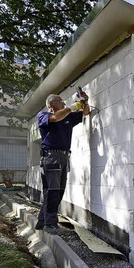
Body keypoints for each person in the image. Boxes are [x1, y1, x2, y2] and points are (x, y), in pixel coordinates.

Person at [35, 90, 91, 232]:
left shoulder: (68, 118)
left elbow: (86, 112)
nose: (64, 103)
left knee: (58, 191)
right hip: (51, 157)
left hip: (64, 157)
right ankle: (50, 224)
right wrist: (71, 107)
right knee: (52, 191)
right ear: (52, 104)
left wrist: (84, 100)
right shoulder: (44, 115)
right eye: (61, 101)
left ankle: (42, 222)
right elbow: (56, 118)